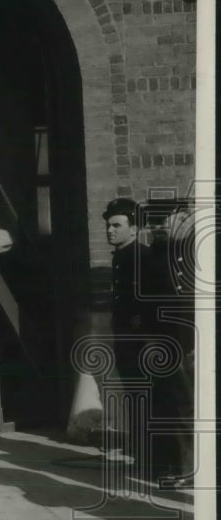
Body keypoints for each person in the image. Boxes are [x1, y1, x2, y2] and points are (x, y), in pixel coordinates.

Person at [143, 197, 196, 488]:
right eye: (154, 223)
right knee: (180, 407)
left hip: (197, 343)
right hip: (169, 344)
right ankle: (187, 467)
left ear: (184, 216)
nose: (158, 228)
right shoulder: (155, 255)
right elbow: (150, 304)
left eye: (164, 221)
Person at [104, 197, 158, 478]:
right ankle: (142, 457)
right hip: (126, 341)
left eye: (117, 225)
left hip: (141, 343)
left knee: (145, 400)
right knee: (135, 398)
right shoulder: (122, 257)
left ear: (134, 228)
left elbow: (156, 300)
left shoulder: (144, 256)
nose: (110, 230)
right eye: (108, 225)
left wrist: (145, 330)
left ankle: (150, 460)